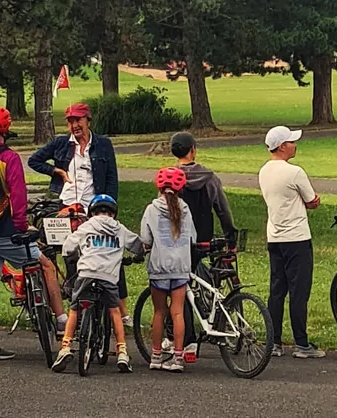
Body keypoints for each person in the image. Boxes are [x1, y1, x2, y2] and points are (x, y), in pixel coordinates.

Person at [0, 106, 66, 361]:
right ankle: (62, 320)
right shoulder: (8, 158)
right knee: (46, 265)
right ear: (6, 128)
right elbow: (18, 196)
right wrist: (21, 224)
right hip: (6, 232)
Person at [29, 103, 131, 324]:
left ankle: (122, 311)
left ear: (88, 120)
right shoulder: (61, 144)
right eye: (70, 121)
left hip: (95, 209)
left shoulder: (103, 144)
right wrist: (55, 171)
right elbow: (33, 160)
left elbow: (111, 178)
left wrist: (110, 209)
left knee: (110, 255)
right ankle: (75, 304)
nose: (74, 125)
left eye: (78, 120)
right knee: (70, 255)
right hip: (66, 207)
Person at [51, 194, 144, 373]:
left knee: (75, 309)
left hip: (86, 273)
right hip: (108, 277)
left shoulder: (85, 227)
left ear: (92, 212)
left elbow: (69, 247)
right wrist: (139, 255)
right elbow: (137, 245)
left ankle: (65, 347)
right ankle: (122, 351)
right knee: (114, 310)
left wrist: (71, 259)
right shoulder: (119, 229)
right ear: (113, 213)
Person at [258, 125, 324, 359]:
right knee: (299, 291)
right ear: (283, 147)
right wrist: (314, 202)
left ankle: (274, 341)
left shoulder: (264, 171)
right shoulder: (295, 172)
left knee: (277, 290)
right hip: (297, 237)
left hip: (274, 236)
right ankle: (301, 343)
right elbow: (311, 200)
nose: (295, 145)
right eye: (292, 142)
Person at [170, 131, 236, 360]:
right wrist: (230, 236)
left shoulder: (170, 178)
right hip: (204, 238)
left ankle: (187, 341)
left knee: (179, 288)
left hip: (179, 240)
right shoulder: (208, 177)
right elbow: (222, 209)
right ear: (193, 150)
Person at [141, 167, 196, 372]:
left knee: (159, 312)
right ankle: (178, 358)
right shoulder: (186, 209)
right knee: (178, 312)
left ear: (159, 187)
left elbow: (146, 239)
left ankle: (156, 355)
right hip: (181, 267)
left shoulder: (152, 209)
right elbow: (193, 238)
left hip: (159, 266)